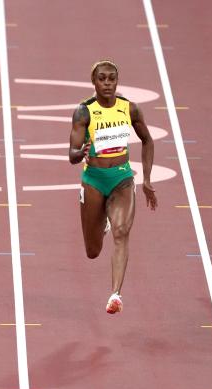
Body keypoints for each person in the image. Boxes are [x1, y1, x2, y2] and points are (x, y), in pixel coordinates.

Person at [69, 60, 157, 314]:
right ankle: (102, 224)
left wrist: (147, 180)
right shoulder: (84, 112)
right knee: (92, 251)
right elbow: (72, 154)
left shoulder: (129, 109)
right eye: (102, 79)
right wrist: (80, 152)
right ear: (94, 82)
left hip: (122, 178)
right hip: (94, 180)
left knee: (122, 232)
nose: (107, 83)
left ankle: (115, 294)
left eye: (111, 79)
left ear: (117, 81)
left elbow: (147, 141)